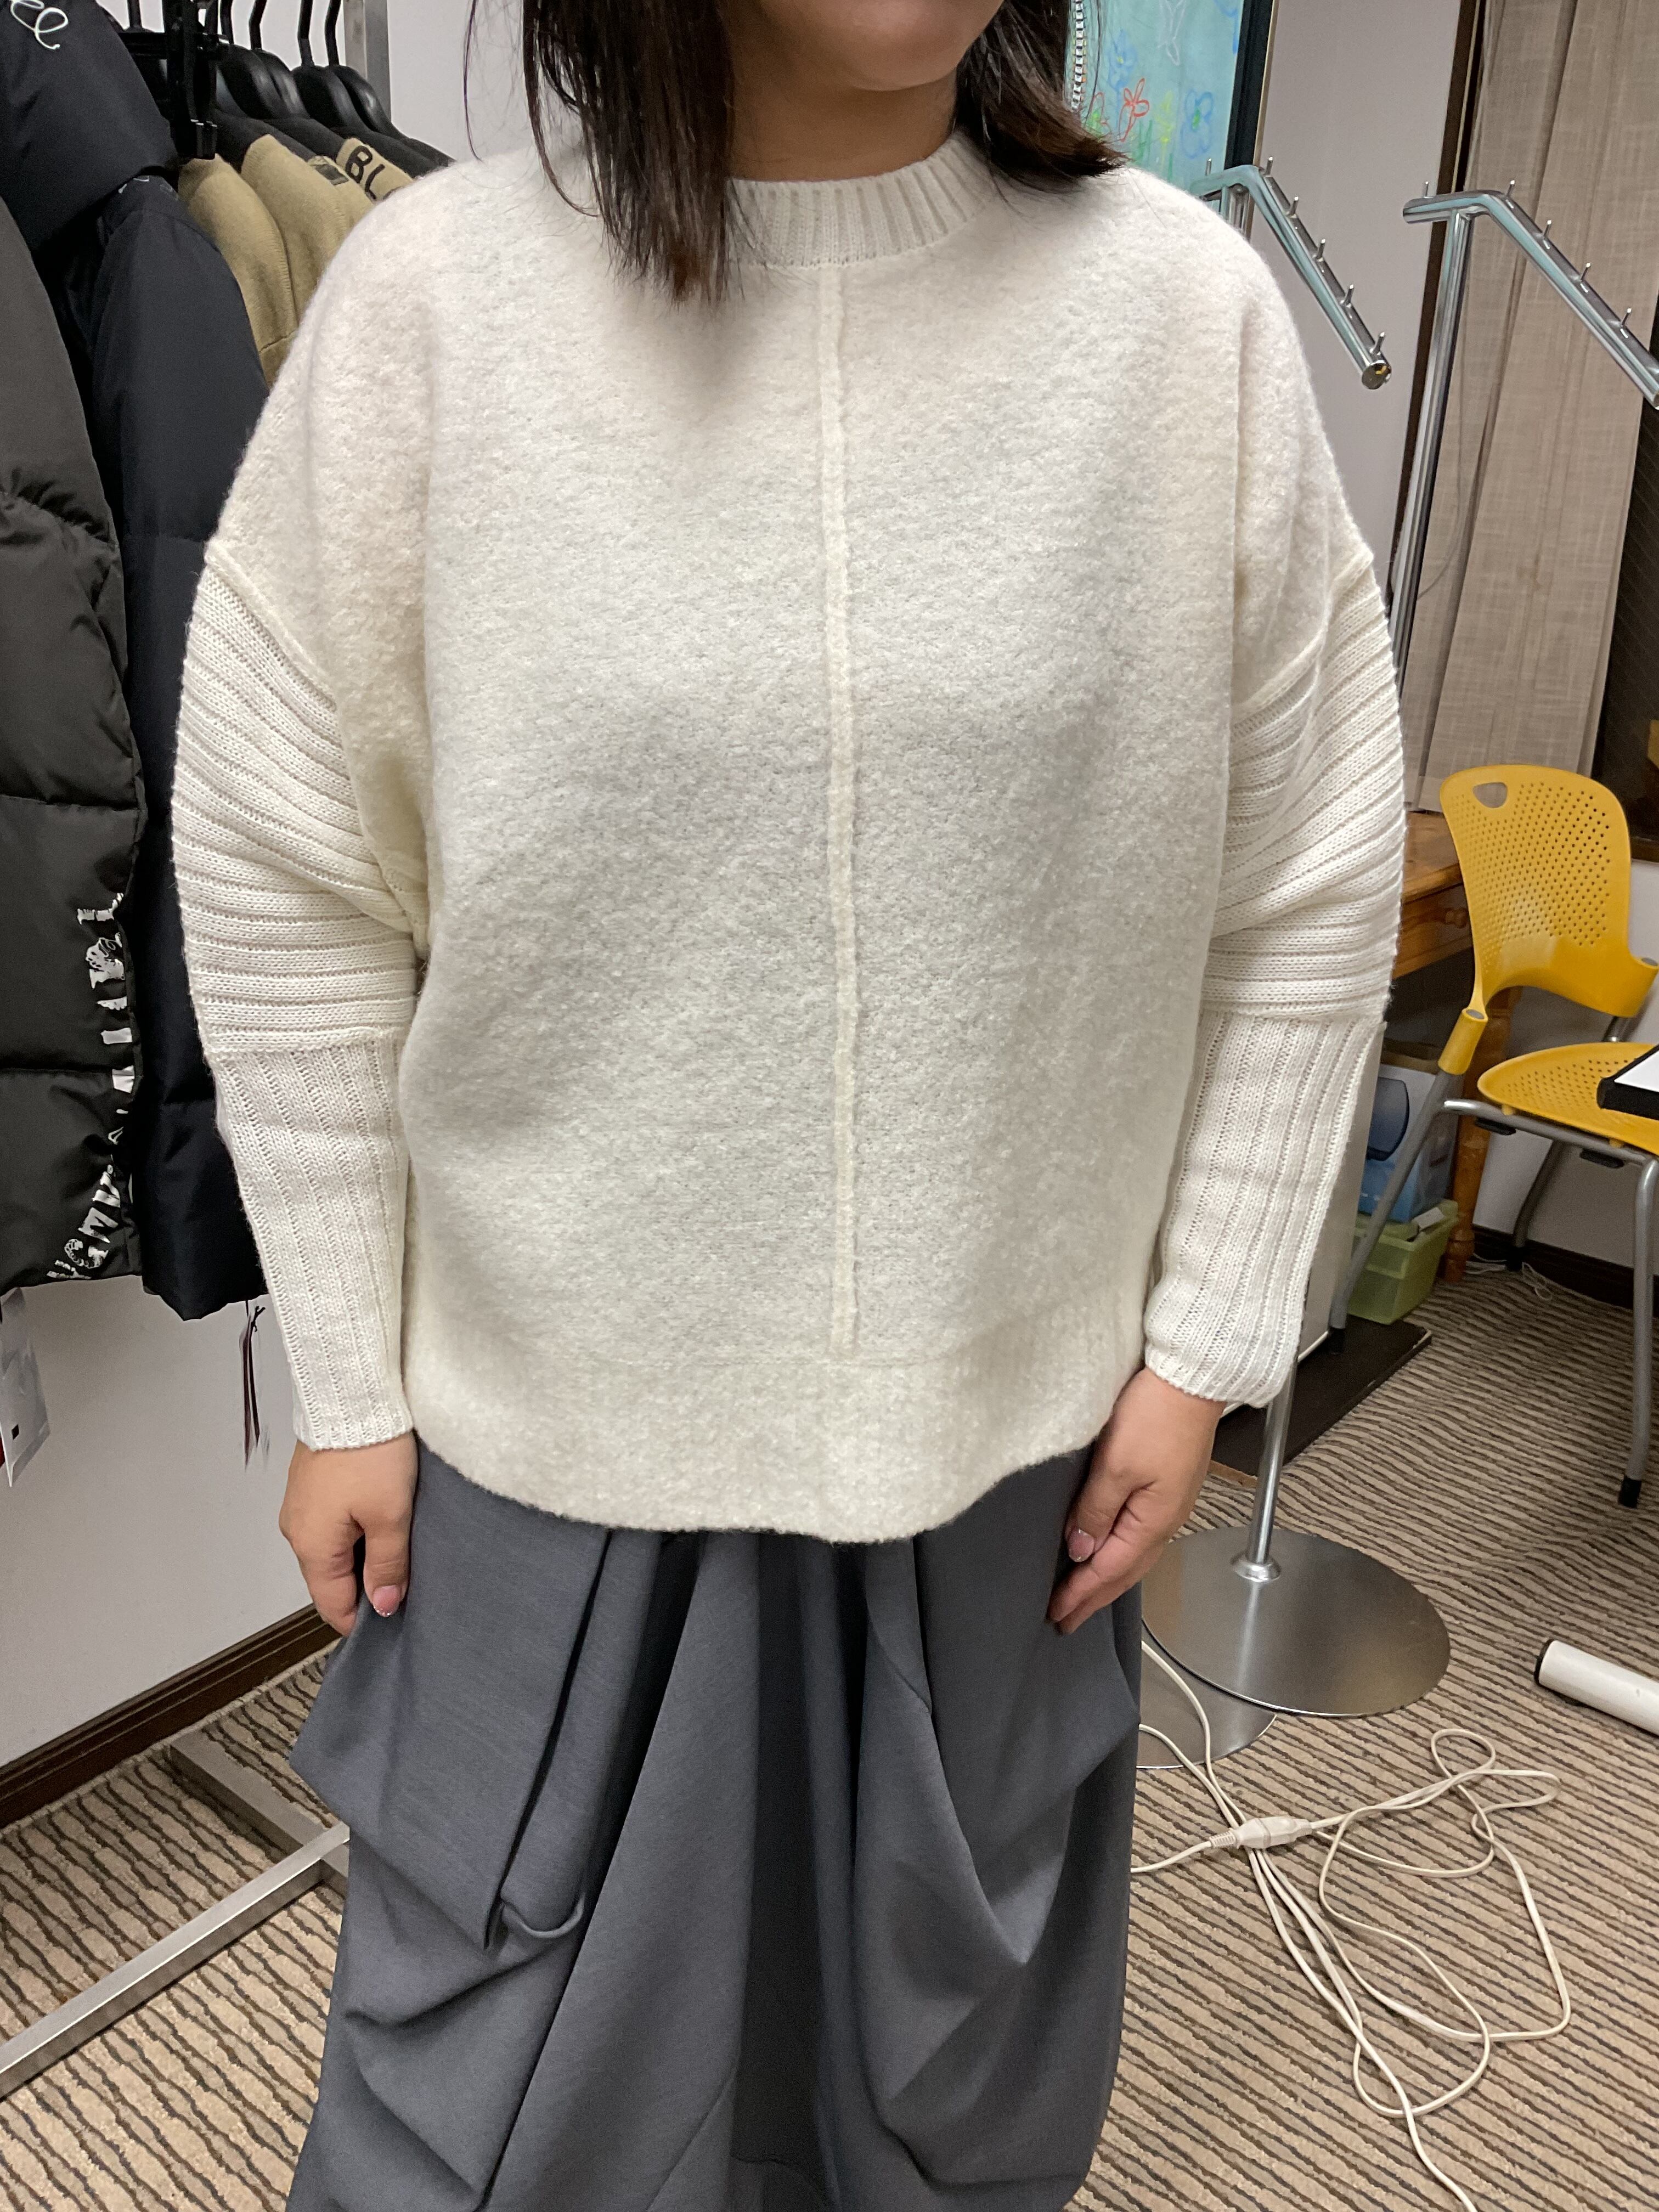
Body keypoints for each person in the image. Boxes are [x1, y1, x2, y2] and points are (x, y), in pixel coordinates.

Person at [172, 2, 1404, 2205]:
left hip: (1009, 1474)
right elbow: (290, 871)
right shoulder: (437, 312)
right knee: (483, 2138)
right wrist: (345, 1369)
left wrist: (1207, 1341)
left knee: (941, 2127)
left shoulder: (1181, 327)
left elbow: (1306, 871)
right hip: (549, 1472)